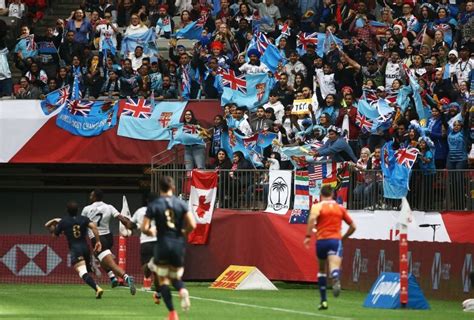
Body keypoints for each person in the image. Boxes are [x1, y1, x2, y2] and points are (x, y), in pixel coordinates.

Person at [142, 176, 196, 320]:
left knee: (163, 279)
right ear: (172, 187)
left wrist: (150, 231)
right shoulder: (181, 203)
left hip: (162, 244)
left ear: (160, 188)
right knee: (175, 277)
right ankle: (182, 289)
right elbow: (192, 224)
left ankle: (172, 313)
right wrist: (183, 232)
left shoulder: (154, 204)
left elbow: (144, 227)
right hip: (178, 244)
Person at [304, 185, 356, 310]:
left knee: (322, 270)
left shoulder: (318, 206)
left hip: (321, 241)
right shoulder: (340, 208)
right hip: (335, 240)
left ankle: (323, 301)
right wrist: (343, 238)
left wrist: (307, 236)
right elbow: (353, 226)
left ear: (321, 195)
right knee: (334, 266)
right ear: (332, 194)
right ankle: (335, 276)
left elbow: (311, 219)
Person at [81, 188, 136, 294]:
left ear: (95, 197)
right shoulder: (109, 207)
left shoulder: (87, 209)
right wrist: (130, 226)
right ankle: (113, 279)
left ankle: (127, 278)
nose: (90, 197)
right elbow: (121, 218)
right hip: (108, 237)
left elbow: (82, 223)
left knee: (111, 264)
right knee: (100, 258)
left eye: (91, 195)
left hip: (97, 239)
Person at [44, 201, 104, 299]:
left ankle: (97, 288)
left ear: (67, 210)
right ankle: (92, 267)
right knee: (86, 269)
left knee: (82, 272)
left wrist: (54, 225)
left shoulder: (63, 222)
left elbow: (53, 236)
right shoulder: (84, 219)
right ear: (77, 210)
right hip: (86, 248)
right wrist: (98, 241)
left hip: (75, 249)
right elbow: (94, 227)